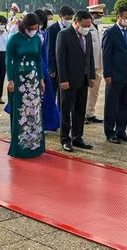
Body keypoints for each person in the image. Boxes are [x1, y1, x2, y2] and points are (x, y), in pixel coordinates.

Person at [5, 13, 46, 158]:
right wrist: (10, 79)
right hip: (18, 79)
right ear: (25, 26)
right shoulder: (14, 39)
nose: (34, 30)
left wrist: (41, 79)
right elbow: (8, 59)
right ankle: (19, 146)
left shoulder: (36, 39)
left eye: (36, 28)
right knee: (20, 111)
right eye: (32, 28)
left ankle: (34, 144)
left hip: (33, 80)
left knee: (34, 111)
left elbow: (38, 59)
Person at [55, 10, 95, 152]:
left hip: (83, 79)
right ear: (76, 22)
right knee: (66, 110)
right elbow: (60, 59)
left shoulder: (88, 35)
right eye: (84, 25)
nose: (87, 28)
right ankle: (65, 138)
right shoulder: (64, 35)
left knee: (80, 109)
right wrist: (63, 79)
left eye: (89, 25)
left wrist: (91, 76)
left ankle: (77, 137)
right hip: (69, 80)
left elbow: (89, 57)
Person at [102, 6, 127, 144]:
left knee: (124, 104)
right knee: (111, 105)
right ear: (118, 17)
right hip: (115, 75)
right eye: (126, 17)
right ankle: (110, 132)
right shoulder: (111, 32)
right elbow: (106, 54)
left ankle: (121, 130)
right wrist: (107, 74)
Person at [47, 5, 74, 97]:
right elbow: (50, 49)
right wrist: (51, 68)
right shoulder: (52, 29)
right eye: (67, 18)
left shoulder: (71, 29)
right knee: (54, 91)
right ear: (61, 16)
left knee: (65, 93)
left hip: (67, 66)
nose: (69, 21)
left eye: (71, 18)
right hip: (56, 65)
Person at [85, 4, 105, 124]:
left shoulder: (98, 27)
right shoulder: (87, 28)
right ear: (91, 15)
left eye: (101, 15)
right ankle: (82, 114)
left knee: (95, 91)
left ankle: (90, 112)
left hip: (99, 64)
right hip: (89, 65)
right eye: (97, 15)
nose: (99, 18)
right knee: (86, 91)